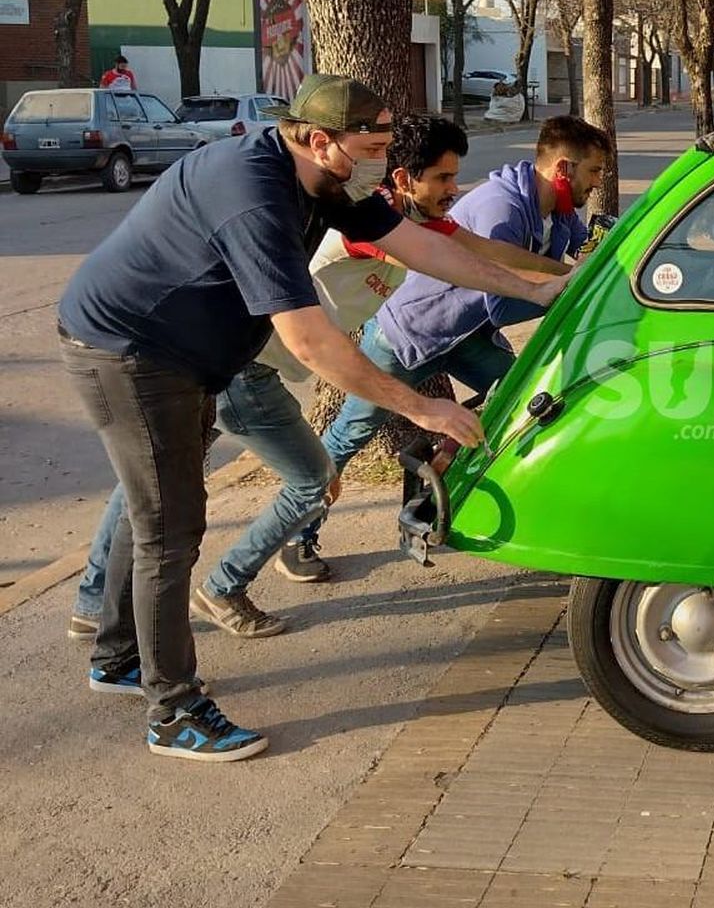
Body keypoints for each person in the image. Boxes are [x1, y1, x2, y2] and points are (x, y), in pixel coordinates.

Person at [57, 73, 568, 761]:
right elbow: (308, 341)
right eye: (372, 147)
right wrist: (423, 407)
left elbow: (428, 250)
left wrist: (538, 287)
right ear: (321, 140)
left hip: (184, 356)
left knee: (152, 512)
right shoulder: (253, 194)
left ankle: (116, 656)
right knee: (169, 529)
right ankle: (172, 712)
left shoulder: (329, 181)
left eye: (389, 145)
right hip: (131, 352)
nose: (383, 163)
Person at [285, 116, 610, 567]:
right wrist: (564, 292)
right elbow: (504, 297)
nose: (597, 183)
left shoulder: (557, 209)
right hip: (408, 332)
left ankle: (476, 488)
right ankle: (297, 534)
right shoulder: (505, 209)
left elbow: (572, 261)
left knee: (522, 398)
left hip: (464, 333)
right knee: (351, 433)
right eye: (593, 172)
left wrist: (593, 269)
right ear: (563, 170)